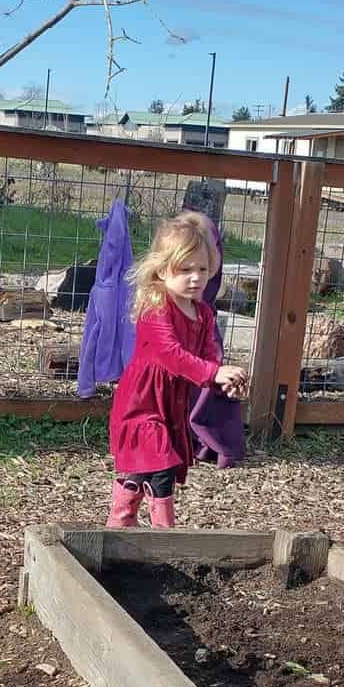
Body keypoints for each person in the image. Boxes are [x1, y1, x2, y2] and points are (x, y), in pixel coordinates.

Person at [106, 211, 249, 529]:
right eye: (185, 269)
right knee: (161, 465)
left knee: (146, 467)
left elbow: (209, 357)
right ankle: (165, 535)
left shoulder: (203, 314)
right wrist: (213, 374)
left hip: (172, 404)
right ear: (161, 268)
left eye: (202, 268)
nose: (196, 277)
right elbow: (171, 355)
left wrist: (224, 381)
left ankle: (119, 524)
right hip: (142, 403)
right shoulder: (156, 306)